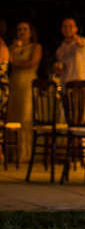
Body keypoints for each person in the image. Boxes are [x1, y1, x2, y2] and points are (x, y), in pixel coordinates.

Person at [9, 21, 41, 163]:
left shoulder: (36, 47)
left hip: (28, 82)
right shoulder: (12, 47)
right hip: (14, 82)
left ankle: (26, 153)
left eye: (25, 29)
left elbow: (32, 62)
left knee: (25, 116)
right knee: (13, 116)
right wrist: (13, 49)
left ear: (30, 32)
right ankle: (11, 152)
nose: (22, 32)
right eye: (19, 29)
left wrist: (16, 63)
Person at [54, 17, 85, 82]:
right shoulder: (60, 49)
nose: (67, 28)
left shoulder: (83, 42)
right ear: (61, 29)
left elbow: (81, 44)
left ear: (76, 29)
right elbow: (61, 69)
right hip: (65, 84)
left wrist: (76, 38)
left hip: (80, 83)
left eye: (70, 26)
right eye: (65, 26)